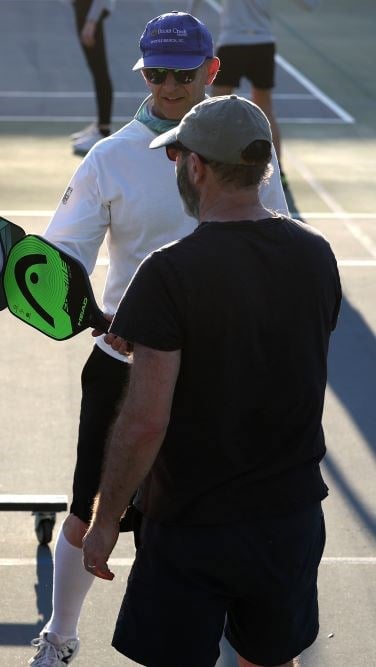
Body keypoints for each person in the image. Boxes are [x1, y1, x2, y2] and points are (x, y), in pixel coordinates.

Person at [26, 12, 289, 666]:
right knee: (89, 510)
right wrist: (70, 301)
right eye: (157, 73)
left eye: (184, 73)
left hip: (223, 364)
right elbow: (61, 263)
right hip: (126, 358)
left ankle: (243, 633)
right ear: (141, 71)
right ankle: (59, 637)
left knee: (216, 514)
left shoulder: (248, 145)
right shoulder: (109, 160)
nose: (170, 85)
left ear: (212, 69)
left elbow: (271, 236)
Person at [82, 94, 340, 667]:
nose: (176, 168)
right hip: (290, 515)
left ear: (196, 166)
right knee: (271, 659)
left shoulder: (168, 273)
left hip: (193, 523)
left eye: (176, 158)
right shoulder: (318, 256)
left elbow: (145, 422)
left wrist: (104, 521)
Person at [188, 0, 321, 171]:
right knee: (265, 109)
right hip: (263, 44)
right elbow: (310, 5)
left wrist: (189, 23)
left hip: (232, 44)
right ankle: (277, 171)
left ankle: (212, 165)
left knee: (217, 108)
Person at [68, 0, 116, 157]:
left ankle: (104, 129)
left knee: (99, 70)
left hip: (90, 7)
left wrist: (91, 21)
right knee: (97, 70)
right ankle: (100, 124)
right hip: (84, 7)